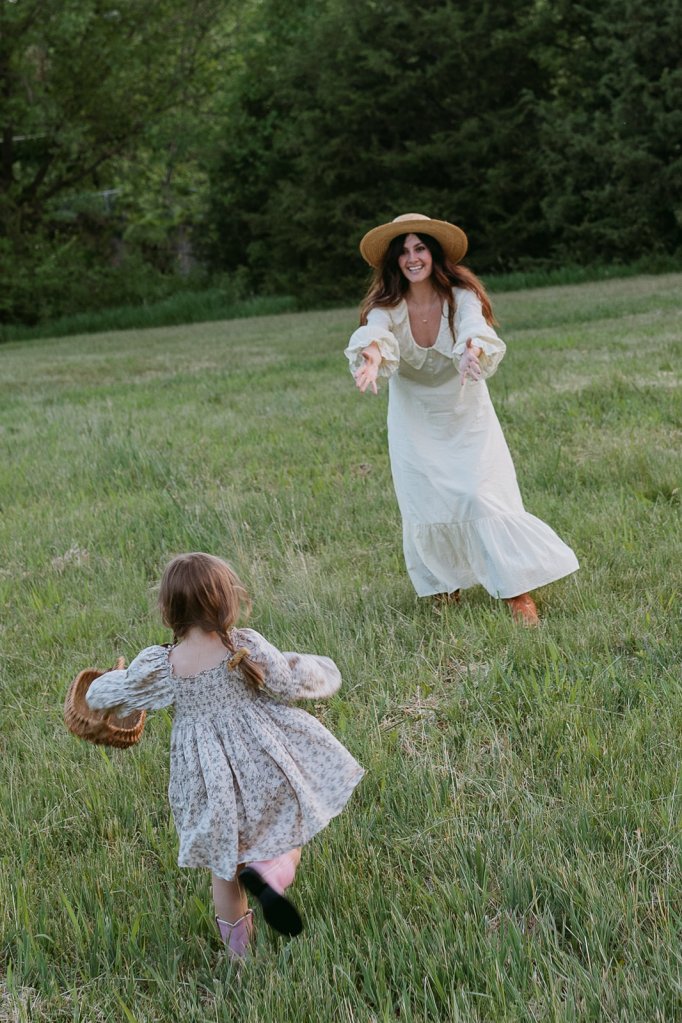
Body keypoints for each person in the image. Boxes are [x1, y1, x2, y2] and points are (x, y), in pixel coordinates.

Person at [85, 552, 364, 961]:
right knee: (290, 820)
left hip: (205, 780)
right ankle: (271, 870)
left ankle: (239, 958)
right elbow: (287, 683)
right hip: (260, 761)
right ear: (227, 600)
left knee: (224, 866)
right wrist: (317, 668)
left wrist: (108, 682)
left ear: (168, 609)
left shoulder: (162, 665)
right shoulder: (244, 645)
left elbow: (102, 695)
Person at [345, 213, 579, 624]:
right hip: (413, 418)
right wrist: (371, 358)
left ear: (433, 254)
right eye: (404, 252)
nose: (412, 258)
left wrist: (472, 349)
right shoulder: (388, 307)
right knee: (425, 500)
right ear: (395, 261)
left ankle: (516, 592)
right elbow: (376, 334)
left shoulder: (460, 295)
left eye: (420, 248)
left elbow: (473, 326)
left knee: (479, 495)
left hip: (465, 413)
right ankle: (444, 587)